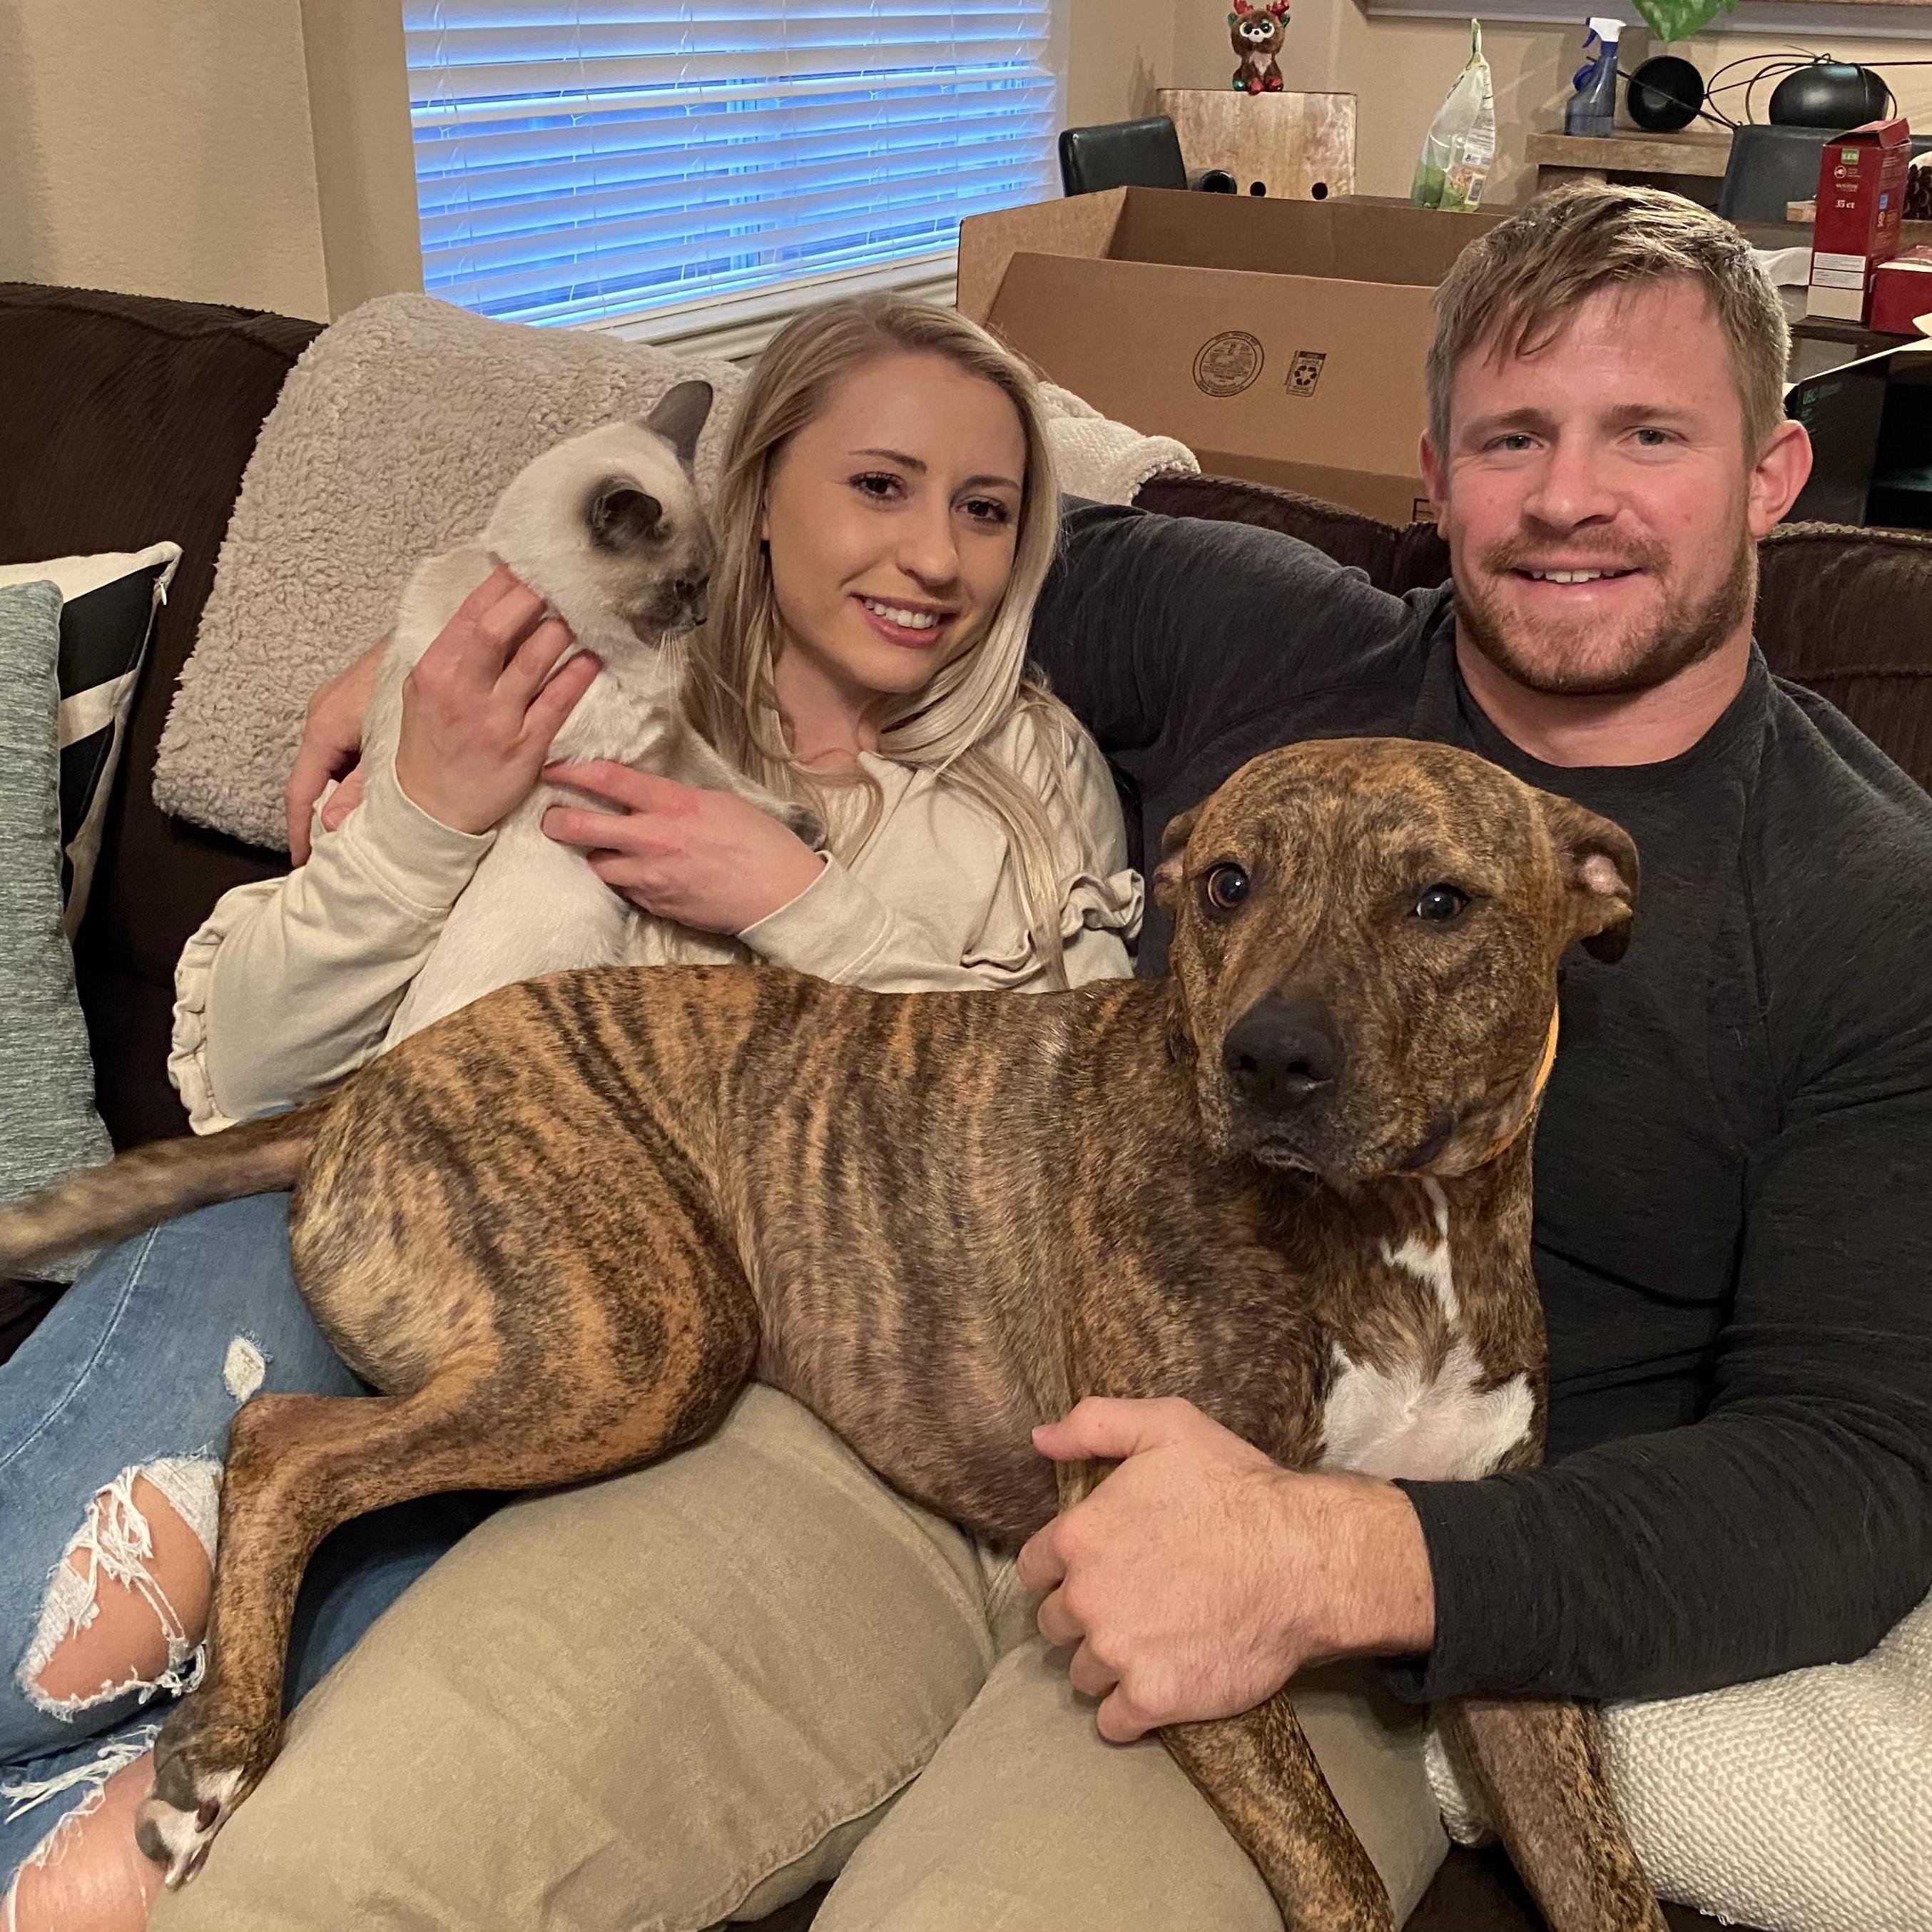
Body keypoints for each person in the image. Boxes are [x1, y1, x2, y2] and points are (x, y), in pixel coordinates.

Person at [0, 296, 1153, 1931]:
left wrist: (799, 903)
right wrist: (422, 812)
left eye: (987, 508)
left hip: (593, 1409)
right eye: (878, 486)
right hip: (326, 1227)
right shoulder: (577, 683)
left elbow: (1084, 1136)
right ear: (759, 494)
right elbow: (247, 1078)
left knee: (118, 1877)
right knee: (32, 1643)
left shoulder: (1031, 788)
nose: (937, 556)